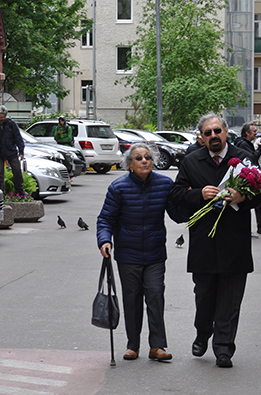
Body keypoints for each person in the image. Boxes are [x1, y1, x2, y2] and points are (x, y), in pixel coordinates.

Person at [169, 113, 261, 368]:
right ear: (202, 137)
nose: (213, 136)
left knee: (230, 300)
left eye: (217, 131)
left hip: (235, 243)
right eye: (207, 133)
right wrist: (198, 194)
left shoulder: (243, 159)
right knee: (205, 297)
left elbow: (260, 195)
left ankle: (224, 348)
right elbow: (176, 194)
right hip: (203, 242)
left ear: (225, 132)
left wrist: (242, 199)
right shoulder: (191, 161)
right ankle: (202, 332)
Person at [97, 143, 187, 362]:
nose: (145, 161)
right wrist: (104, 241)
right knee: (132, 299)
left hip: (155, 254)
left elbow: (176, 214)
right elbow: (105, 219)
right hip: (128, 255)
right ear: (130, 164)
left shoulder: (164, 184)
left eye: (147, 157)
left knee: (155, 296)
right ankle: (133, 345)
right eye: (139, 158)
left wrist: (192, 201)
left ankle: (157, 346)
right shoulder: (118, 188)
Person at [0, 105, 26, 196]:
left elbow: (18, 137)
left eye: (4, 117)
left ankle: (19, 189)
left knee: (17, 170)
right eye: (1, 117)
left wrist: (21, 151)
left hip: (11, 151)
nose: (2, 119)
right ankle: (1, 192)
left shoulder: (11, 124)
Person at [234, 122, 261, 235]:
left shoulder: (243, 143)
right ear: (247, 133)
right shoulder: (243, 145)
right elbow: (252, 158)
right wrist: (260, 148)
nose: (256, 133)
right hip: (245, 176)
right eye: (254, 131)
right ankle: (257, 228)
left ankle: (260, 227)